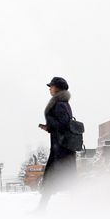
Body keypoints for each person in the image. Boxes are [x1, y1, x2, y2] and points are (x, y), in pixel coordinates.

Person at [37, 76, 77, 211]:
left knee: (56, 178)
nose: (50, 89)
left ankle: (42, 209)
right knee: (66, 179)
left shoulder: (59, 104)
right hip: (61, 148)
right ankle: (77, 208)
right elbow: (61, 125)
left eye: (51, 86)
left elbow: (63, 124)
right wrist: (48, 127)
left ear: (58, 88)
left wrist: (51, 125)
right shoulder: (63, 103)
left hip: (61, 149)